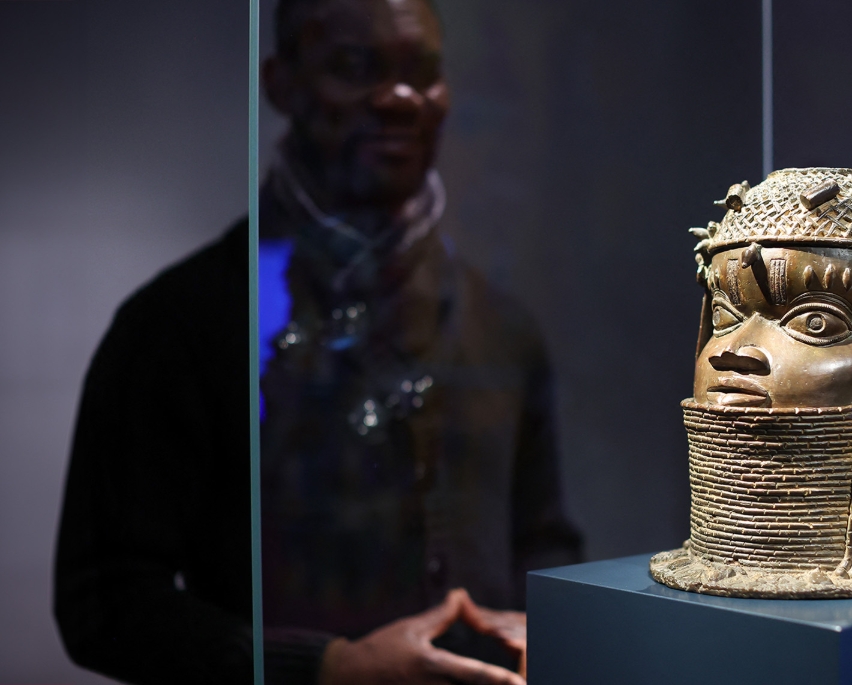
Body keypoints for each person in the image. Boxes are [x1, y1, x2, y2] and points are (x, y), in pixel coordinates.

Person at [53, 0, 581, 683]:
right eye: (355, 67)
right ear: (281, 85)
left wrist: (547, 630)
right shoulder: (176, 325)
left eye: (421, 72)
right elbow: (104, 600)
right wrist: (330, 667)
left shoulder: (504, 327)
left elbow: (546, 545)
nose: (397, 98)